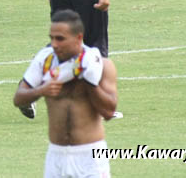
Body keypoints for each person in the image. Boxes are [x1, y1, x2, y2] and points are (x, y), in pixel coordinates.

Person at [13, 9, 117, 178]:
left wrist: (89, 82)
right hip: (56, 156)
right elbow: (18, 98)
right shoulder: (45, 60)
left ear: (78, 38)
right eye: (52, 38)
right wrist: (41, 90)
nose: (54, 44)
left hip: (90, 157)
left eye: (60, 39)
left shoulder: (99, 64)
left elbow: (109, 112)